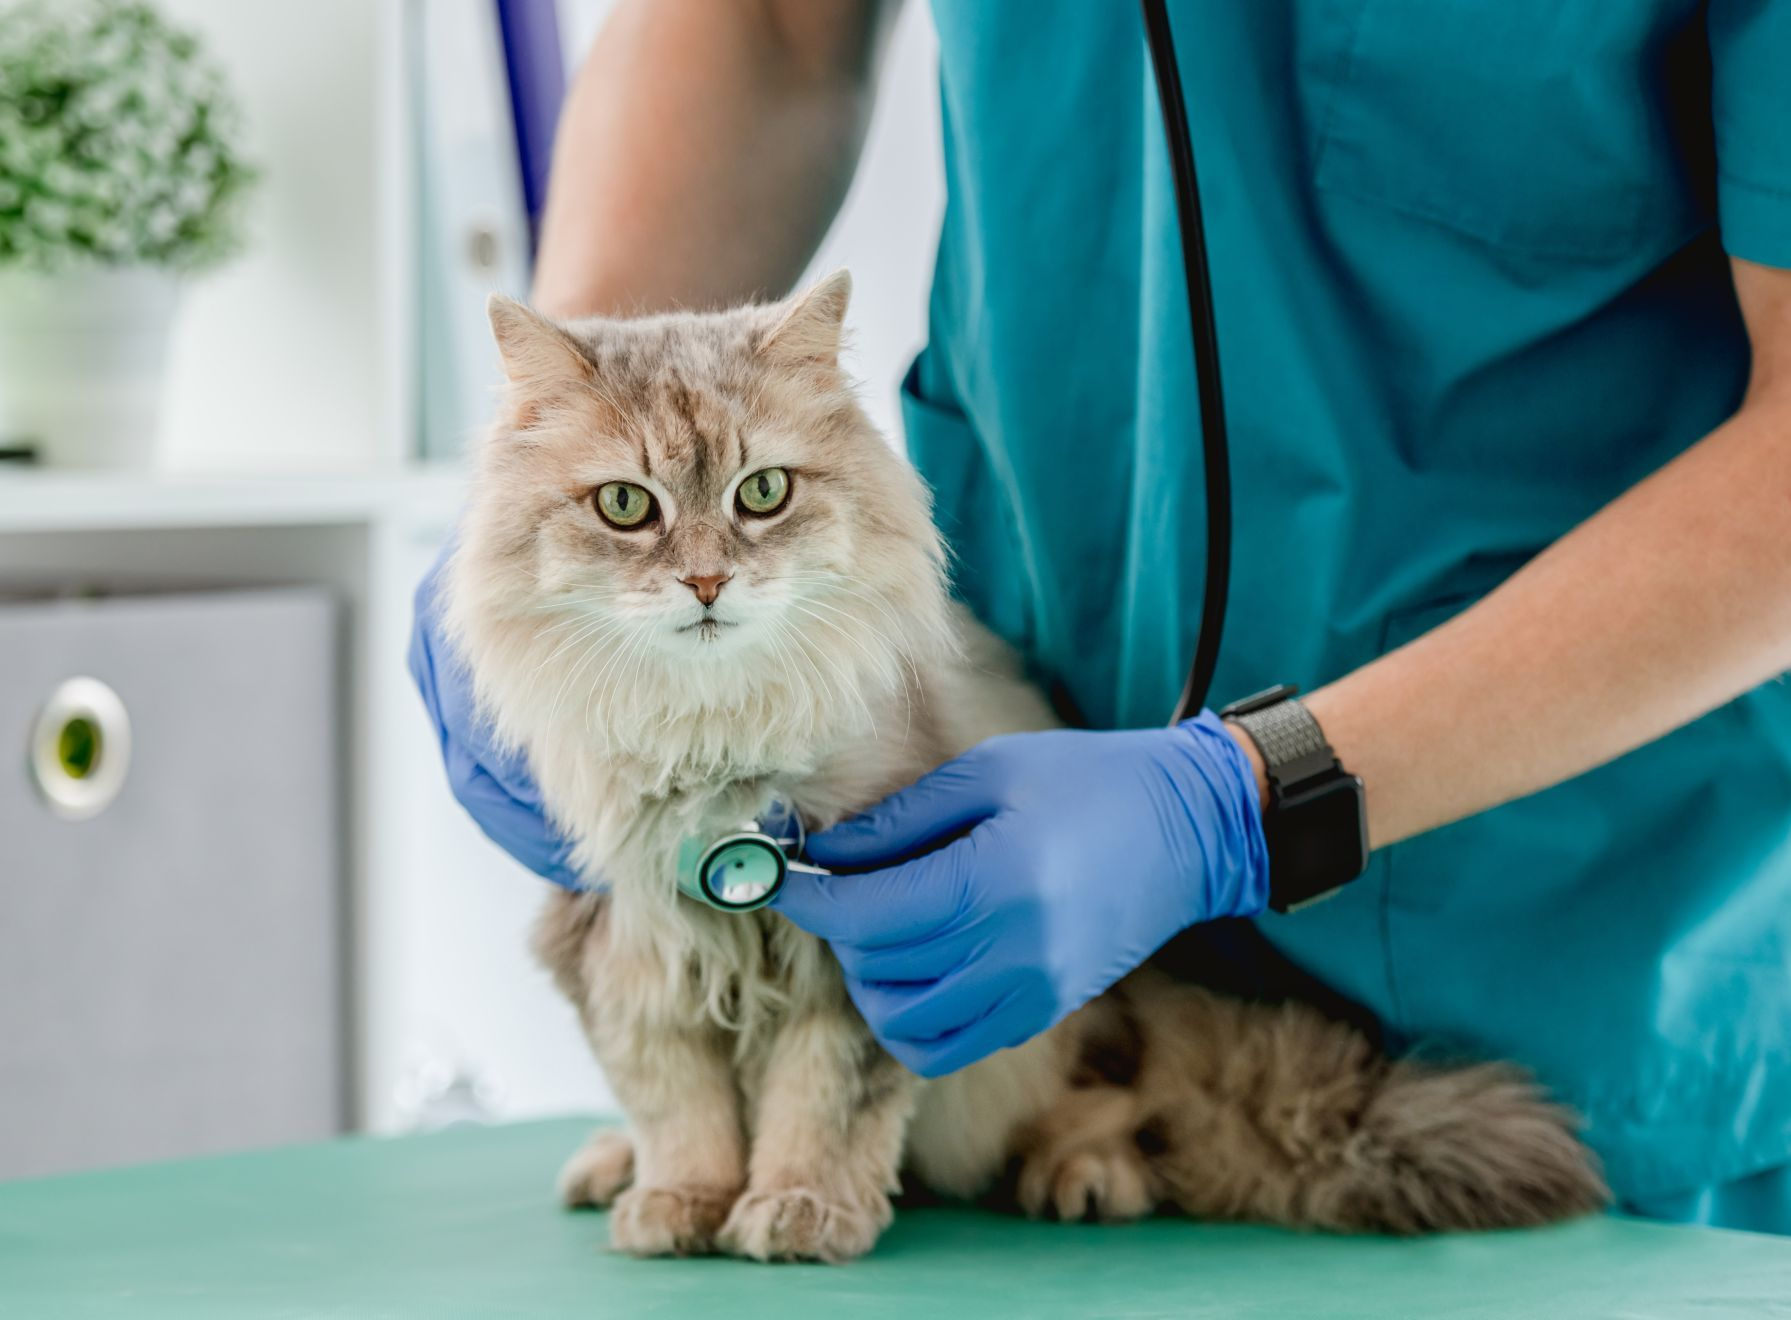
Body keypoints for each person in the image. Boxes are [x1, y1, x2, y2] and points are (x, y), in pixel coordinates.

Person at [410, 1, 1791, 1232]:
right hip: (995, 944)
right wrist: (561, 450)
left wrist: (1237, 807)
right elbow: (769, 26)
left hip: (1570, 932)